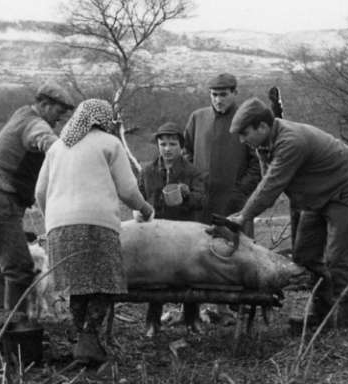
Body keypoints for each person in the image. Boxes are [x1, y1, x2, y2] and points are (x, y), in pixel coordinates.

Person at [227, 97, 348, 329]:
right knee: (305, 256)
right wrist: (246, 212)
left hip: (345, 189)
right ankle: (322, 314)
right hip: (316, 194)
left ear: (262, 127)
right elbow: (266, 183)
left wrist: (244, 216)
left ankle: (344, 322)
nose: (242, 140)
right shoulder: (263, 145)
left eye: (244, 134)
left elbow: (272, 185)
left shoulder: (290, 142)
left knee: (338, 257)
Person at [35, 99, 154, 365]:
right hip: (97, 224)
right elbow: (128, 191)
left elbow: (40, 192)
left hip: (59, 226)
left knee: (77, 286)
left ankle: (84, 341)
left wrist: (51, 221)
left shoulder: (57, 147)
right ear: (104, 119)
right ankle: (89, 338)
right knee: (104, 283)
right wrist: (146, 210)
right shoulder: (110, 143)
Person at [0, 81, 75, 316]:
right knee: (19, 269)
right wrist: (70, 154)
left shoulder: (22, 114)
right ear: (45, 104)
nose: (60, 119)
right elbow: (47, 142)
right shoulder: (36, 124)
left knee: (5, 269)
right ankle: (17, 329)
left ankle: (2, 323)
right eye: (59, 111)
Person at [138, 122, 205, 336]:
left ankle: (192, 318)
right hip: (156, 232)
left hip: (185, 233)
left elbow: (202, 200)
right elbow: (139, 197)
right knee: (155, 277)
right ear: (158, 145)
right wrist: (138, 211)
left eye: (173, 144)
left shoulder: (192, 171)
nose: (167, 149)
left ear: (181, 146)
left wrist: (187, 194)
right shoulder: (147, 171)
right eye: (163, 144)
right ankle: (152, 321)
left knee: (189, 275)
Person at [184, 73, 261, 235]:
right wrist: (195, 183)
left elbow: (258, 161)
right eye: (214, 95)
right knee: (202, 243)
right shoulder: (198, 117)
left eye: (223, 94)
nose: (218, 100)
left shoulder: (248, 119)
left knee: (237, 244)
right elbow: (187, 153)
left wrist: (241, 190)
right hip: (202, 200)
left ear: (235, 93)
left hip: (234, 201)